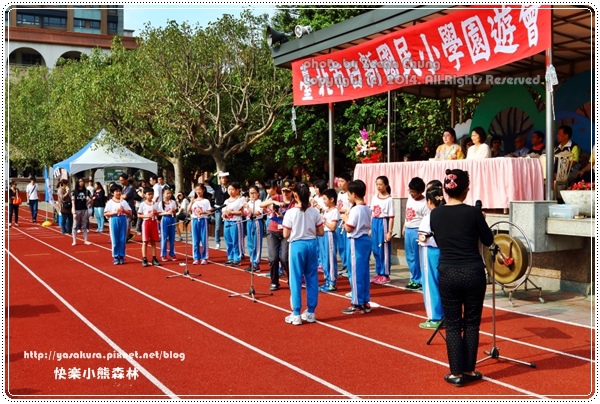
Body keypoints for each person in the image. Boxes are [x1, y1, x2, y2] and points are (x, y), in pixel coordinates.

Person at [430, 169, 494, 387]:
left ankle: (456, 373)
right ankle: (469, 369)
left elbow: (440, 239)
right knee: (472, 323)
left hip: (448, 271)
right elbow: (488, 240)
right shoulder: (473, 213)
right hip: (473, 272)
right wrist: (481, 220)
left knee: (453, 324)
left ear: (445, 190)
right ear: (466, 189)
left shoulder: (435, 214)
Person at [282, 182, 324, 325]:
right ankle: (311, 311)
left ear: (295, 195)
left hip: (297, 245)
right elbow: (321, 232)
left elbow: (285, 234)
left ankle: (296, 313)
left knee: (295, 278)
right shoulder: (314, 212)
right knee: (312, 277)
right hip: (311, 244)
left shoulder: (291, 212)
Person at [340, 179, 372, 314]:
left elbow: (349, 227)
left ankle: (357, 302)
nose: (348, 197)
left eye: (348, 195)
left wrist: (344, 219)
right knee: (363, 271)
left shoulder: (356, 209)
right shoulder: (367, 208)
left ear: (354, 194)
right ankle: (364, 300)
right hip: (365, 240)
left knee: (355, 272)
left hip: (356, 241)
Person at [417, 185, 445, 329]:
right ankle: (445, 315)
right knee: (443, 284)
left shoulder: (429, 217)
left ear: (429, 201)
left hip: (430, 251)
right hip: (444, 251)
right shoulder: (447, 216)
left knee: (430, 283)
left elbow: (423, 237)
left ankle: (435, 317)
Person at [261, 180, 294, 291]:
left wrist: (283, 217)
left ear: (292, 191)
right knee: (273, 258)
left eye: (288, 191)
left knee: (285, 258)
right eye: (284, 191)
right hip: (273, 230)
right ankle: (274, 281)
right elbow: (261, 204)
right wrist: (275, 202)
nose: (285, 193)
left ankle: (291, 278)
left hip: (286, 232)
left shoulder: (294, 202)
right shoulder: (277, 197)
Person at [403, 177, 428, 291]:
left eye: (414, 192)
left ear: (421, 191)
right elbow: (407, 213)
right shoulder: (410, 198)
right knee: (410, 256)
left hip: (417, 230)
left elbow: (426, 220)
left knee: (417, 257)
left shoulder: (425, 203)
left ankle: (419, 280)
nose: (412, 194)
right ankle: (413, 278)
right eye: (410, 191)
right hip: (408, 229)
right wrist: (404, 226)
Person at [370, 176, 395, 284]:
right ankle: (379, 272)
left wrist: (389, 232)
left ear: (386, 185)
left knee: (383, 249)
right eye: (377, 184)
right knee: (375, 249)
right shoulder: (374, 198)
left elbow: (391, 217)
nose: (378, 186)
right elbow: (371, 213)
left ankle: (385, 274)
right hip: (374, 222)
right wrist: (370, 227)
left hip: (383, 223)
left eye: (380, 184)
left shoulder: (389, 199)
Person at [318, 188, 340, 292]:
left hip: (329, 235)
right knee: (324, 259)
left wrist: (324, 221)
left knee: (330, 259)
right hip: (323, 235)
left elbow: (333, 227)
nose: (324, 201)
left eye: (325, 199)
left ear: (331, 199)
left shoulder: (335, 211)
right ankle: (327, 280)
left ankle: (332, 282)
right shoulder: (326, 211)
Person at [104, 183, 132, 265]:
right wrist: (114, 212)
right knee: (115, 239)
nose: (118, 193)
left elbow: (129, 212)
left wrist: (124, 210)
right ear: (112, 193)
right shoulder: (110, 202)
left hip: (122, 219)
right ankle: (116, 256)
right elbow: (105, 213)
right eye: (116, 191)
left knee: (122, 239)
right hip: (114, 219)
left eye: (120, 191)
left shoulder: (123, 202)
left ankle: (122, 256)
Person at [222, 181, 246, 266]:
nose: (230, 191)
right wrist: (224, 214)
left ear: (237, 190)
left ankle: (237, 258)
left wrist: (232, 212)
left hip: (236, 222)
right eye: (229, 189)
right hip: (227, 222)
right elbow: (223, 211)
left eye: (232, 189)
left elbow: (243, 212)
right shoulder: (226, 201)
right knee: (228, 240)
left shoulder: (240, 200)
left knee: (236, 241)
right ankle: (230, 257)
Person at [188, 184, 212, 265]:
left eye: (200, 190)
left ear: (203, 190)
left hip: (203, 220)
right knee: (195, 240)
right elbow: (188, 210)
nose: (198, 191)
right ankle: (196, 257)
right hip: (194, 220)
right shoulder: (194, 201)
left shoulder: (206, 201)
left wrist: (203, 212)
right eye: (196, 190)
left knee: (204, 240)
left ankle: (204, 257)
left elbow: (209, 211)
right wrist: (191, 202)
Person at [137, 188, 161, 267]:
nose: (151, 196)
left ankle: (154, 258)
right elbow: (139, 215)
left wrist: (156, 213)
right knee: (145, 241)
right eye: (149, 194)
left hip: (153, 223)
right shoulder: (143, 204)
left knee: (153, 241)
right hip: (146, 223)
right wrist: (147, 215)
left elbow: (158, 213)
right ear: (145, 195)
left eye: (152, 194)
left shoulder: (155, 204)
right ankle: (144, 258)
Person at [243, 185, 264, 272]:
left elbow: (258, 212)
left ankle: (256, 263)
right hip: (249, 222)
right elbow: (245, 213)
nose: (252, 195)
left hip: (256, 222)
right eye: (250, 193)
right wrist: (243, 208)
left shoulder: (259, 202)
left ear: (258, 193)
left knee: (256, 243)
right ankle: (252, 261)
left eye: (254, 193)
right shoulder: (249, 202)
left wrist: (248, 208)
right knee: (250, 243)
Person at [335, 173, 352, 274]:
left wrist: (340, 210)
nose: (340, 183)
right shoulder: (339, 194)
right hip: (339, 220)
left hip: (346, 221)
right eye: (339, 181)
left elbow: (351, 208)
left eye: (342, 181)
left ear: (348, 182)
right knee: (340, 245)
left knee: (346, 244)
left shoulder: (349, 194)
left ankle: (348, 264)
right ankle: (344, 263)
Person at [208, 171, 230, 249]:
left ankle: (228, 242)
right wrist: (216, 174)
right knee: (217, 226)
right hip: (218, 208)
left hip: (226, 208)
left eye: (225, 178)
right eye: (222, 178)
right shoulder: (217, 187)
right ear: (220, 179)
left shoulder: (229, 188)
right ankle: (217, 242)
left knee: (227, 226)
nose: (224, 179)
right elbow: (209, 181)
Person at [157, 187, 178, 262]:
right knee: (164, 237)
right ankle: (163, 254)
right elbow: (159, 213)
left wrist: (173, 211)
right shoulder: (161, 203)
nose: (169, 195)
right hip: (165, 219)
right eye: (167, 193)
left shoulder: (173, 202)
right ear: (163, 194)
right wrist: (166, 212)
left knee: (172, 237)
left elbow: (175, 212)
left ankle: (172, 253)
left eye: (170, 193)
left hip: (172, 219)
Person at [71, 178, 92, 246]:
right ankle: (74, 240)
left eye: (82, 181)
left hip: (84, 210)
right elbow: (73, 203)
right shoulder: (74, 192)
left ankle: (85, 240)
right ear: (77, 182)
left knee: (84, 225)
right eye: (80, 181)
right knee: (75, 225)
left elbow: (92, 198)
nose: (81, 182)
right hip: (77, 210)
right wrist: (74, 213)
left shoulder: (86, 191)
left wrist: (87, 203)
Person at [119, 174, 136, 242]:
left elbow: (125, 197)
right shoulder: (122, 187)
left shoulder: (130, 188)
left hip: (128, 207)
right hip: (122, 207)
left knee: (128, 223)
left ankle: (126, 238)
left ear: (126, 179)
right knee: (123, 223)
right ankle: (127, 236)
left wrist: (119, 195)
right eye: (120, 180)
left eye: (122, 180)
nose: (121, 182)